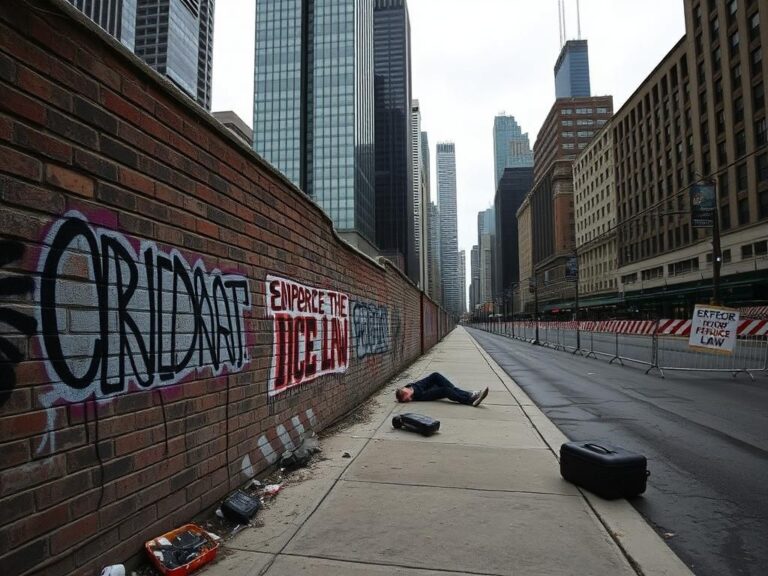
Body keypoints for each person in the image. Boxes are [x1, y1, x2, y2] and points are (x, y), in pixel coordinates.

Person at [395, 372, 489, 407]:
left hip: (429, 387)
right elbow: (409, 395)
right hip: (426, 394)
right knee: (446, 390)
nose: (409, 398)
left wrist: (408, 390)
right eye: (407, 397)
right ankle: (470, 399)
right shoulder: (415, 394)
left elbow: (424, 382)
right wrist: (410, 394)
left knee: (435, 375)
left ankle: (470, 395)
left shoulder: (408, 386)